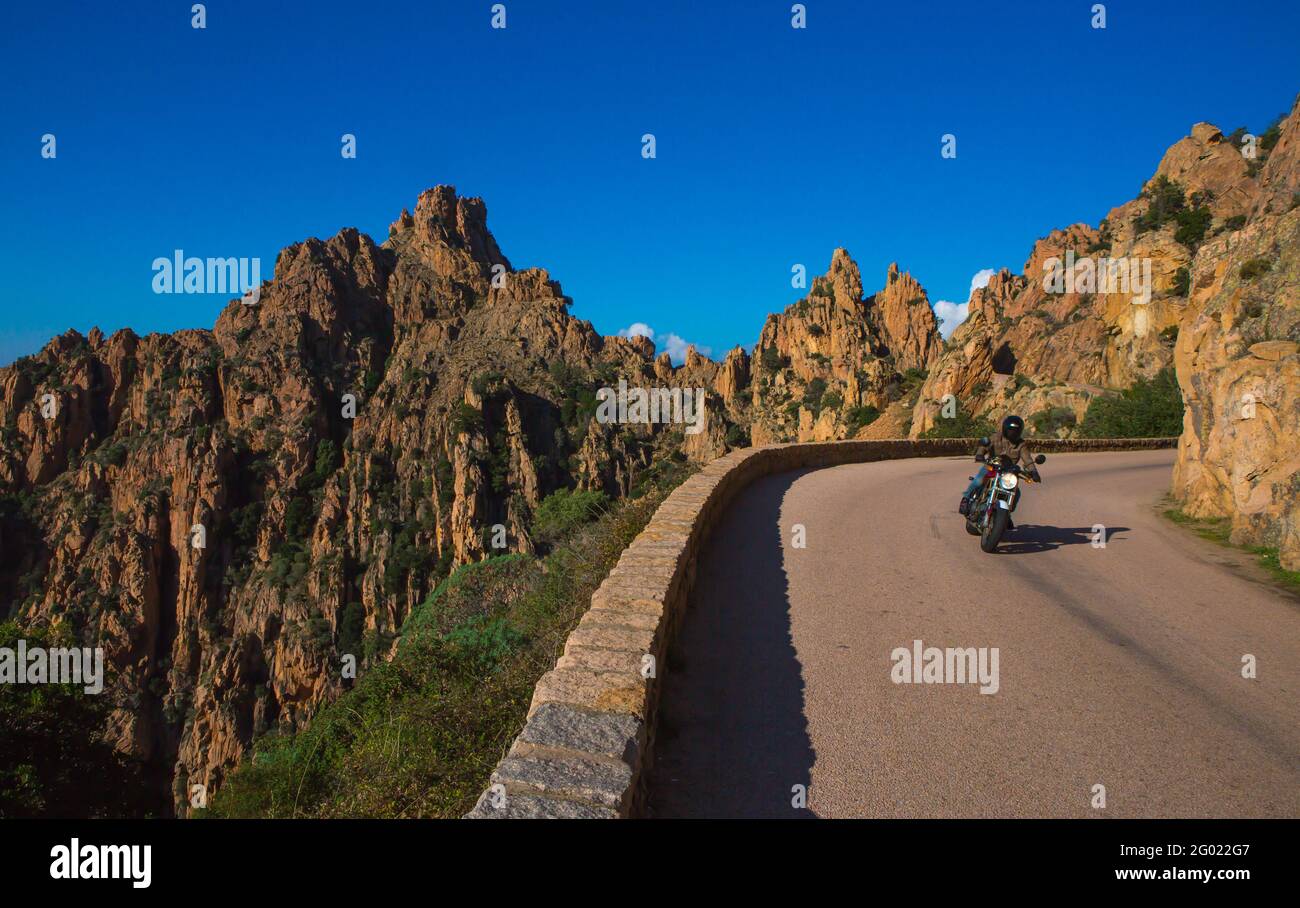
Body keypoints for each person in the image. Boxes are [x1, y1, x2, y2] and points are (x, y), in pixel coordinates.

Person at [959, 415, 1042, 515]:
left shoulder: (1021, 444)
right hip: (992, 466)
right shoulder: (996, 437)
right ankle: (965, 500)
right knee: (978, 481)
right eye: (1010, 430)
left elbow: (1027, 459)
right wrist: (980, 454)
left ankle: (1006, 514)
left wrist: (1034, 472)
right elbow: (984, 445)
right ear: (1005, 429)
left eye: (1016, 430)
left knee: (1016, 492)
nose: (1013, 432)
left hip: (1008, 471)